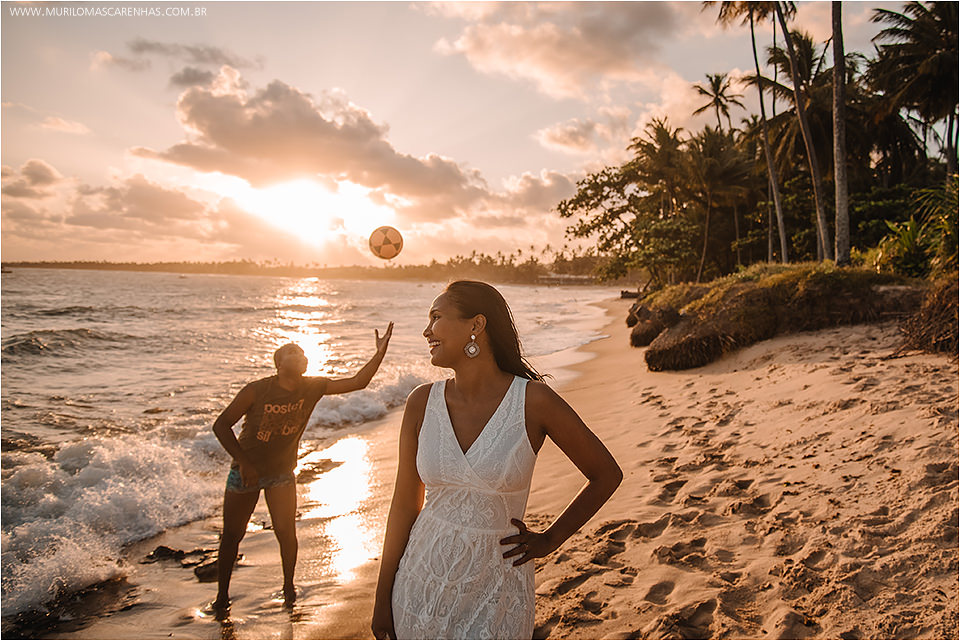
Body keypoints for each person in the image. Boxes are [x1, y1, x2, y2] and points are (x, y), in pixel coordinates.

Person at [372, 281, 622, 640]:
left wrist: (551, 540)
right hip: (419, 584)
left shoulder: (533, 401)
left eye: (436, 317)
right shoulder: (421, 402)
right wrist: (383, 596)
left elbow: (605, 474)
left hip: (495, 591)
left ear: (476, 325)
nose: (426, 331)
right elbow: (403, 507)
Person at [211, 323, 393, 612]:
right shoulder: (256, 390)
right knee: (233, 535)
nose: (300, 355)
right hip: (247, 471)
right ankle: (222, 597)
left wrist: (379, 353)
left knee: (286, 532)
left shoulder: (312, 387)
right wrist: (243, 462)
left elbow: (358, 381)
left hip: (282, 472)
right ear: (279, 363)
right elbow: (220, 425)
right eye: (292, 352)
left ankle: (288, 588)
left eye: (302, 353)